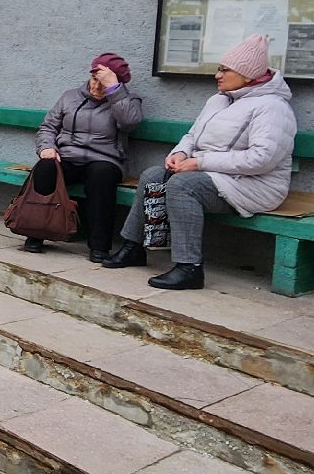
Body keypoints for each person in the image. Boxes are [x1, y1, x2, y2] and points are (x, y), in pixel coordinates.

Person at [102, 34, 296, 291]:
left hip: (256, 186)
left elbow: (261, 159)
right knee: (152, 176)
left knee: (183, 185)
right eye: (219, 69)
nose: (217, 75)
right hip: (215, 176)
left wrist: (199, 162)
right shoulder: (218, 100)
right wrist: (180, 154)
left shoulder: (272, 107)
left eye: (225, 70)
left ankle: (189, 268)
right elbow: (192, 136)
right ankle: (133, 246)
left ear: (247, 75)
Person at [25, 52, 144, 259]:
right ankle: (35, 232)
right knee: (45, 167)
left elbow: (129, 123)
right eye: (95, 79)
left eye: (104, 83)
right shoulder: (70, 96)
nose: (97, 87)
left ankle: (99, 246)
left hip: (105, 160)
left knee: (101, 176)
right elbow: (48, 127)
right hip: (68, 156)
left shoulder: (127, 101)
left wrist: (114, 91)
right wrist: (46, 147)